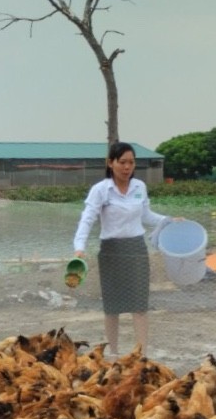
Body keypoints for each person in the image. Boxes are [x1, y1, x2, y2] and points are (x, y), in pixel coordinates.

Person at [73, 141, 173, 359]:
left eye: (131, 162)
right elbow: (87, 219)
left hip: (136, 248)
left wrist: (169, 221)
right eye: (122, 162)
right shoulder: (101, 190)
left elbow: (146, 216)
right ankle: (114, 354)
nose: (127, 167)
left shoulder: (139, 187)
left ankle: (142, 354)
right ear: (111, 163)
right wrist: (79, 248)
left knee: (139, 305)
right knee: (113, 306)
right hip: (111, 250)